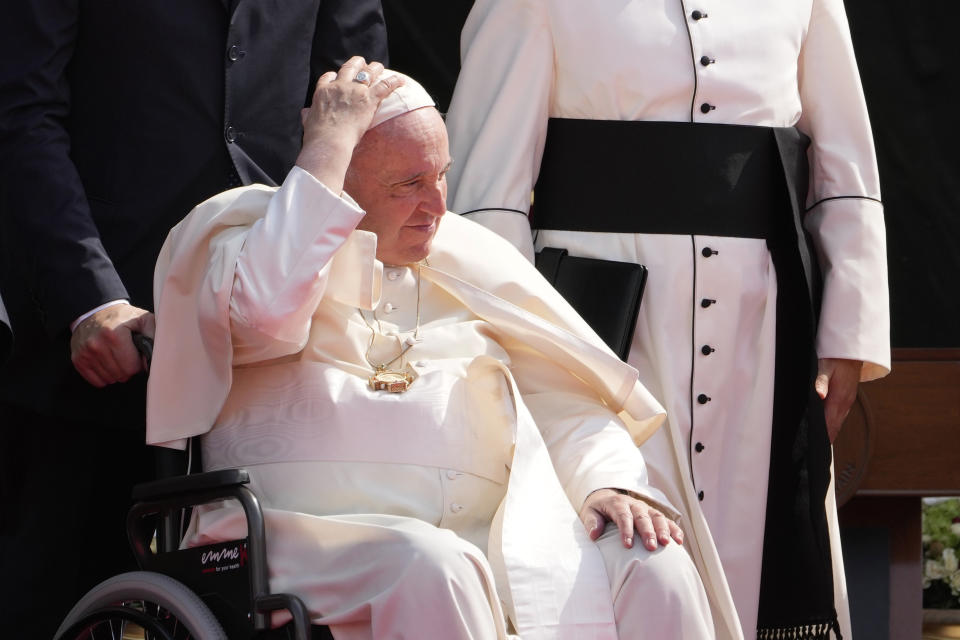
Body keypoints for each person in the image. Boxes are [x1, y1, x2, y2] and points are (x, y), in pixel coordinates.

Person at [146, 61, 719, 639]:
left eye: (441, 176)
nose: (438, 207)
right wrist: (328, 143)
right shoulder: (247, 243)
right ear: (338, 179)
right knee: (436, 566)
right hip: (298, 540)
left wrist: (606, 483)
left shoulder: (474, 264)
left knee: (656, 565)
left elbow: (564, 400)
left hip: (488, 541)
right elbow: (264, 312)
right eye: (407, 185)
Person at [443, 1, 891, 638]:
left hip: (760, 330)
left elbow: (844, 165)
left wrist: (850, 333)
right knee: (622, 550)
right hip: (595, 337)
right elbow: (486, 190)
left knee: (759, 561)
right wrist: (522, 354)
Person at [0, 3, 387, 635]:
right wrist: (87, 297)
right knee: (53, 602)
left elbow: (358, 85)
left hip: (275, 351)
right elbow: (20, 115)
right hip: (101, 344)